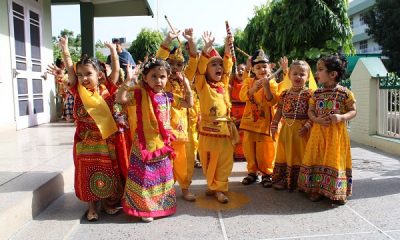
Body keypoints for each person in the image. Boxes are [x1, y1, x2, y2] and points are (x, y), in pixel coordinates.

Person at [116, 57, 193, 222]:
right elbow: (120, 100)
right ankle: (144, 209)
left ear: (168, 77)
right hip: (143, 143)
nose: (159, 80)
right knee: (144, 177)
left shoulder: (168, 96)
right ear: (145, 78)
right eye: (154, 76)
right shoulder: (138, 93)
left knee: (163, 177)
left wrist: (186, 84)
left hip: (162, 144)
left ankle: (161, 207)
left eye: (162, 76)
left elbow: (188, 103)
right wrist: (127, 81)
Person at [59, 36, 123, 221]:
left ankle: (106, 204)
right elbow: (70, 72)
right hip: (85, 141)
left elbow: (116, 72)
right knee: (87, 173)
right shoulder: (77, 90)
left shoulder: (106, 88)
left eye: (88, 74)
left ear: (99, 75)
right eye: (80, 75)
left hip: (105, 140)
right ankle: (91, 208)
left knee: (108, 171)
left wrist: (112, 51)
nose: (83, 78)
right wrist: (65, 50)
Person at [297, 54, 357, 205]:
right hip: (318, 134)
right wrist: (316, 119)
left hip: (336, 136)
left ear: (332, 74)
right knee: (317, 157)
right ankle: (316, 189)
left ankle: (337, 190)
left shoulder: (345, 93)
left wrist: (342, 117)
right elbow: (310, 112)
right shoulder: (316, 93)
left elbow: (353, 111)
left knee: (335, 160)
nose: (316, 73)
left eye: (320, 69)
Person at [155, 28, 199, 202]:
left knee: (184, 160)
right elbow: (157, 60)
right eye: (171, 64)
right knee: (165, 161)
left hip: (183, 127)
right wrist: (167, 41)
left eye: (179, 64)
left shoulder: (186, 77)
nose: (174, 68)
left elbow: (195, 60)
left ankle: (185, 188)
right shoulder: (162, 79)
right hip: (164, 127)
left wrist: (191, 40)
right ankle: (166, 189)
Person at [194, 31, 235, 203]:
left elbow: (229, 66)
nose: (219, 67)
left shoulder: (223, 84)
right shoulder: (202, 85)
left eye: (220, 64)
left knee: (225, 161)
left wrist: (227, 47)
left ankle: (220, 189)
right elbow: (199, 70)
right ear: (206, 69)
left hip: (225, 130)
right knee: (208, 161)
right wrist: (206, 49)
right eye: (213, 65)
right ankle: (213, 185)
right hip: (207, 132)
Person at [271, 58, 313, 191]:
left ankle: (302, 182)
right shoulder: (285, 94)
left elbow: (314, 113)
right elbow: (279, 111)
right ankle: (285, 179)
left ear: (307, 77)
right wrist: (274, 125)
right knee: (285, 154)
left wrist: (307, 126)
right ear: (289, 75)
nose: (298, 76)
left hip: (302, 131)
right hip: (286, 129)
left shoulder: (310, 94)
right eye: (295, 73)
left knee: (301, 155)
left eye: (302, 74)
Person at [238, 49, 278, 188]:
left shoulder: (272, 83)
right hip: (250, 122)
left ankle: (267, 173)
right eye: (258, 67)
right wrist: (253, 88)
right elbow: (242, 97)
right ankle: (252, 172)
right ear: (253, 69)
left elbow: (272, 101)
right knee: (249, 148)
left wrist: (266, 87)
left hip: (266, 123)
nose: (261, 69)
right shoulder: (248, 81)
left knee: (266, 149)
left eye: (264, 66)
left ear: (270, 67)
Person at [230, 62, 249, 161]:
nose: (240, 71)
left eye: (243, 69)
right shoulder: (232, 84)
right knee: (235, 134)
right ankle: (236, 154)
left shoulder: (248, 83)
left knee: (244, 135)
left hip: (245, 113)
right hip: (234, 112)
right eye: (238, 69)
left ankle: (244, 155)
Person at [47, 58, 74, 122]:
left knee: (66, 101)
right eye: (62, 62)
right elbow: (58, 81)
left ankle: (67, 115)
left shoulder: (67, 72)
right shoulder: (60, 71)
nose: (64, 64)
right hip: (63, 87)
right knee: (64, 102)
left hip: (67, 87)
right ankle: (66, 115)